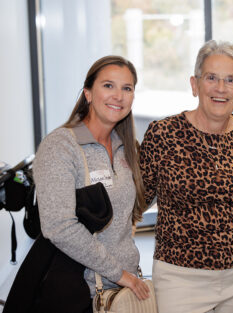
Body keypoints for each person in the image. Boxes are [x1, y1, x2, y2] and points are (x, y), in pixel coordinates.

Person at [139, 40, 233, 313]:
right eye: (211, 78)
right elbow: (135, 200)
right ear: (194, 84)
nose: (221, 88)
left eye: (230, 80)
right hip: (180, 276)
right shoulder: (163, 134)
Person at [32, 55, 150, 312]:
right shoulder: (61, 146)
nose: (118, 96)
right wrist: (119, 273)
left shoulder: (126, 148)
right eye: (108, 86)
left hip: (123, 289)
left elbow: (129, 212)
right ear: (88, 93)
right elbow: (59, 227)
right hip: (80, 291)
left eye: (126, 88)